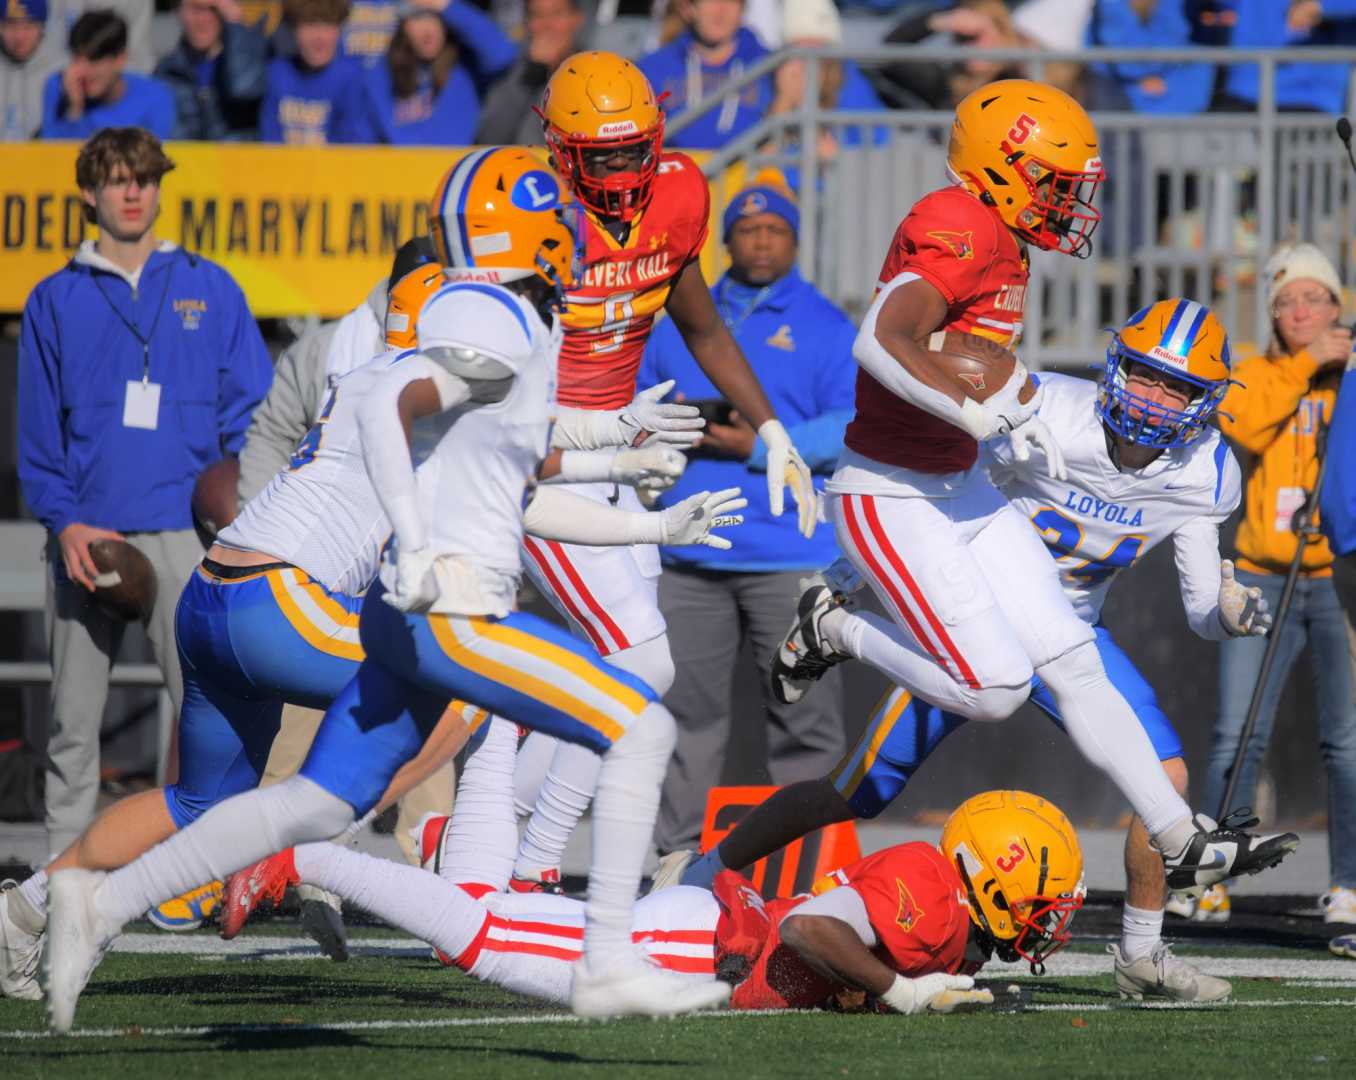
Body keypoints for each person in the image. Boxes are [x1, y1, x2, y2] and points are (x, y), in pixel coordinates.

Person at [40, 148, 743, 1029]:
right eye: (550, 217)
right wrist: (414, 540)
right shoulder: (498, 314)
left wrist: (638, 486)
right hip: (443, 613)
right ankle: (601, 958)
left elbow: (521, 468)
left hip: (372, 611)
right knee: (644, 718)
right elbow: (404, 406)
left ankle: (94, 906)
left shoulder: (477, 322)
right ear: (526, 230)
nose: (567, 233)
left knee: (309, 803)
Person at [760, 78, 1296, 898]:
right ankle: (838, 630)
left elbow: (963, 363)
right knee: (998, 687)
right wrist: (984, 419)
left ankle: (1181, 837)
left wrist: (984, 418)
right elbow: (880, 339)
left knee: (1075, 660)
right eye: (1058, 182)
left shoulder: (1004, 242)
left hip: (954, 482)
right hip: (893, 487)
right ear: (1004, 168)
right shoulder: (961, 221)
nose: (1070, 203)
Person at [682, 299, 1266, 1002]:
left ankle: (1141, 953)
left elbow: (1202, 610)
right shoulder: (1045, 405)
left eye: (1177, 388)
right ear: (1116, 366)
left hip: (1071, 632)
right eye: (1143, 375)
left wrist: (1228, 615)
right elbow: (933, 495)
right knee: (853, 792)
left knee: (1164, 778)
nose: (1153, 397)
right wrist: (849, 577)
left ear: (1207, 402)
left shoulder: (1206, 471)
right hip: (971, 615)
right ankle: (702, 869)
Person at [496, 51, 815, 891]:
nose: (625, 170)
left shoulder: (677, 192)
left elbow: (701, 324)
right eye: (603, 154)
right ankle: (527, 865)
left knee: (624, 678)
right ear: (562, 152)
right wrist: (595, 438)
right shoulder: (529, 217)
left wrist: (774, 427)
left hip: (621, 462)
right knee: (644, 668)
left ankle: (486, 837)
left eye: (637, 148)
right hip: (541, 464)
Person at [11, 127, 271, 942]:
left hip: (188, 536)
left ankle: (195, 882)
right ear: (88, 192)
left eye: (146, 180)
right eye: (117, 181)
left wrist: (244, 514)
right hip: (88, 535)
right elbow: (35, 442)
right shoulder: (54, 297)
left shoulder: (211, 286)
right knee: (72, 725)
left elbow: (252, 416)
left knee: (207, 717)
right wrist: (66, 521)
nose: (134, 194)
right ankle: (62, 889)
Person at [232, 787, 1079, 1014]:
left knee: (489, 905)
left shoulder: (947, 913)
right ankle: (300, 855)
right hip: (695, 948)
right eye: (1040, 897)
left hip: (706, 932)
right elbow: (811, 928)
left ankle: (454, 812)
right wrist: (900, 991)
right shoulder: (930, 889)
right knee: (483, 936)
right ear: (990, 874)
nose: (1047, 917)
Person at [638, 173, 856, 857]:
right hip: (688, 549)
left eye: (776, 230)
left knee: (803, 717)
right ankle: (674, 859)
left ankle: (804, 860)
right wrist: (663, 440)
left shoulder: (825, 324)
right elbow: (635, 400)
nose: (761, 241)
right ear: (725, 239)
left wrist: (758, 448)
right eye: (748, 229)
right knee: (681, 718)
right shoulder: (679, 312)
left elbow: (856, 425)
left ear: (794, 240)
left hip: (787, 552)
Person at [1196, 243, 1356, 926]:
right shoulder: (1257, 371)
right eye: (1288, 299)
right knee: (1238, 734)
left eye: (1315, 297)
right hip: (1263, 576)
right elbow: (1243, 424)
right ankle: (1205, 872)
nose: (1301, 309)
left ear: (1337, 306)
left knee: (1344, 741)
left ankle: (1347, 881)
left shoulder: (1347, 377)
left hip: (1338, 580)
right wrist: (1305, 364)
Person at [360, 0, 516, 145]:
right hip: (403, 170)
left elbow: (503, 54)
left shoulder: (465, 65)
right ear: (403, 26)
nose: (428, 30)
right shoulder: (382, 72)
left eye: (435, 18)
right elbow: (363, 138)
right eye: (417, 18)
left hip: (458, 170)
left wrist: (446, 6)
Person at [637, 0, 772, 150]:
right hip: (679, 168)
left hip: (750, 170)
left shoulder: (771, 66)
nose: (720, 10)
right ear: (688, 8)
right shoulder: (653, 68)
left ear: (742, 9)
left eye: (732, 1)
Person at [38, 9, 175, 138]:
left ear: (121, 59)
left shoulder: (156, 98)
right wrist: (74, 110)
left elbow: (157, 159)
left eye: (94, 59)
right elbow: (52, 159)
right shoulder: (58, 88)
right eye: (76, 59)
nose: (82, 71)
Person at [473, 0, 584, 146]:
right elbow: (487, 138)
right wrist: (530, 75)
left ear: (577, 19)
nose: (548, 25)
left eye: (557, 14)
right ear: (526, 24)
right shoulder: (512, 71)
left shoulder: (595, 73)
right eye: (538, 16)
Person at [155, 0, 269, 141]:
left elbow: (244, 88)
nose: (202, 19)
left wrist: (235, 23)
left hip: (237, 159)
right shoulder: (167, 72)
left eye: (212, 9)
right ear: (178, 12)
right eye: (195, 9)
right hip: (190, 161)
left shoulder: (251, 59)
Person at [260, 0, 368, 144]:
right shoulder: (277, 73)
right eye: (309, 25)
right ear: (293, 28)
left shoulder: (352, 77)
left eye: (328, 25)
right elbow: (269, 139)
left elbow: (351, 147)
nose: (319, 37)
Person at [1, 0, 64, 141]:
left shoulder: (61, 70)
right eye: (10, 25)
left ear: (42, 27)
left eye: (29, 26)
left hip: (45, 160)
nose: (19, 36)